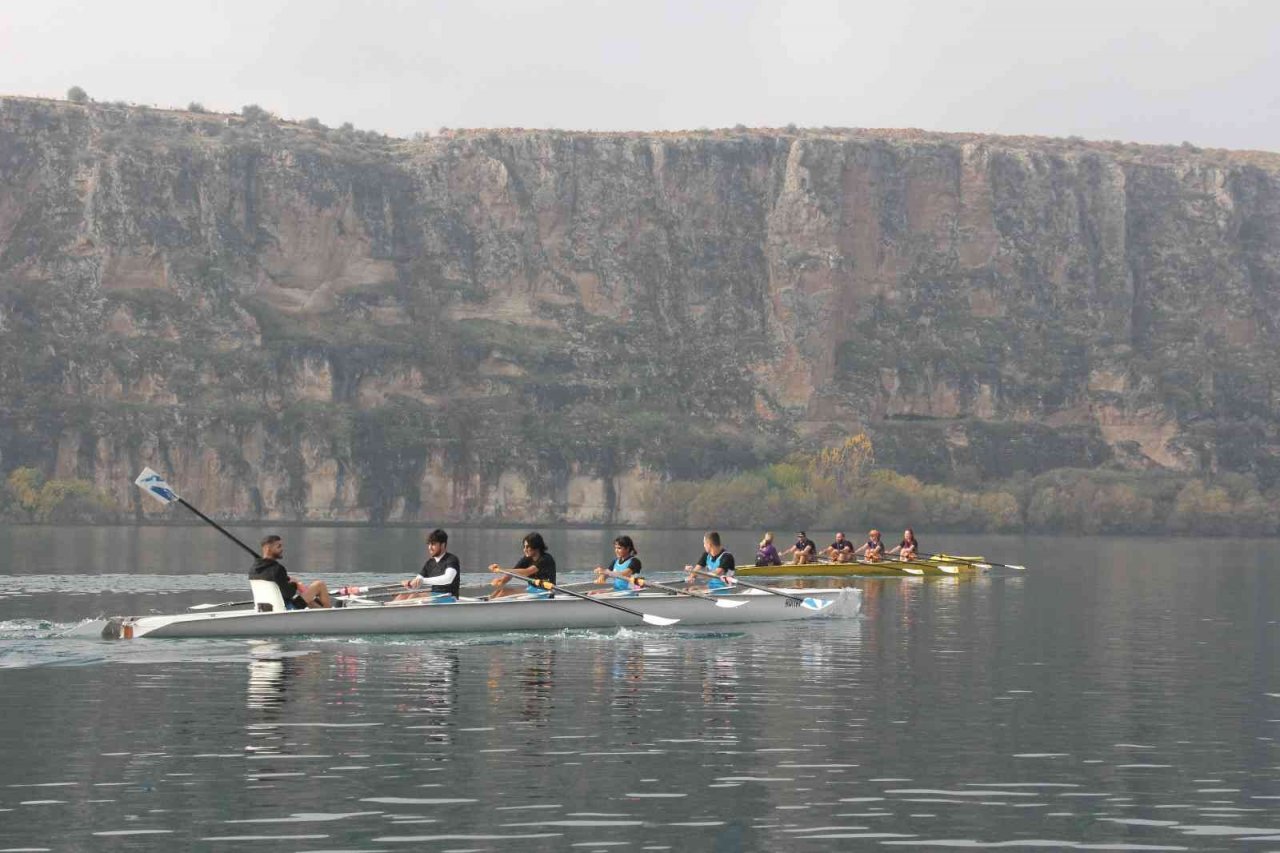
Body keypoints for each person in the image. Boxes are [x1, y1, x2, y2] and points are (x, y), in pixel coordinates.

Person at [249, 534, 331, 609]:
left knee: (307, 598)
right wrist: (295, 584)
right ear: (268, 548)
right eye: (279, 546)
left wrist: (289, 582)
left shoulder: (253, 570)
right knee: (319, 584)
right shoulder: (277, 569)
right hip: (288, 608)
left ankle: (321, 613)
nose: (282, 549)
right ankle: (329, 615)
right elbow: (288, 594)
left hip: (268, 608)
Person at [396, 528, 461, 602]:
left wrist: (422, 580)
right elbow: (417, 582)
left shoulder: (452, 559)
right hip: (436, 596)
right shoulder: (429, 563)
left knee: (414, 596)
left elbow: (448, 579)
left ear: (442, 545)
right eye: (429, 544)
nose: (430, 547)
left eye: (433, 544)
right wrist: (409, 584)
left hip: (450, 597)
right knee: (401, 596)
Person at [489, 532, 557, 599]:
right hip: (532, 589)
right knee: (499, 591)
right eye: (524, 546)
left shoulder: (546, 559)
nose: (525, 550)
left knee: (505, 592)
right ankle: (489, 602)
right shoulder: (527, 558)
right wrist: (501, 581)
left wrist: (501, 570)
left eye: (527, 547)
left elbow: (527, 571)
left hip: (546, 592)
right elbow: (512, 573)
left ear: (536, 547)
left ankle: (491, 607)